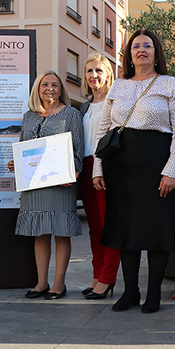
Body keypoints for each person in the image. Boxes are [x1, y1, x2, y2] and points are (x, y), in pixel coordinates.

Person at [93, 29, 175, 314]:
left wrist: (172, 170)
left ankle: (153, 294)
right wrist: (98, 168)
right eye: (136, 46)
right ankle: (130, 292)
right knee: (126, 231)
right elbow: (104, 129)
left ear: (156, 52)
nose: (142, 49)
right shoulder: (118, 86)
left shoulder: (170, 85)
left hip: (158, 169)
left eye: (148, 45)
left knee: (157, 231)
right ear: (129, 54)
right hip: (119, 171)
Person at [9, 71, 83, 300]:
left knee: (61, 232)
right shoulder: (29, 116)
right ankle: (41, 283)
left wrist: (74, 172)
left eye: (55, 85)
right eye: (45, 85)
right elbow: (24, 147)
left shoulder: (71, 114)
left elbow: (78, 149)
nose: (50, 88)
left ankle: (59, 284)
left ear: (61, 90)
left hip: (61, 183)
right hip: (34, 185)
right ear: (37, 89)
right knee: (39, 233)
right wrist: (17, 165)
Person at [78, 52, 119, 300]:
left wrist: (101, 169)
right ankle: (96, 276)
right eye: (89, 71)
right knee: (94, 227)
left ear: (108, 74)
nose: (94, 75)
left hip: (106, 169)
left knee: (109, 226)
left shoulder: (115, 102)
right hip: (85, 167)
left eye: (99, 70)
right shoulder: (83, 106)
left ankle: (107, 278)